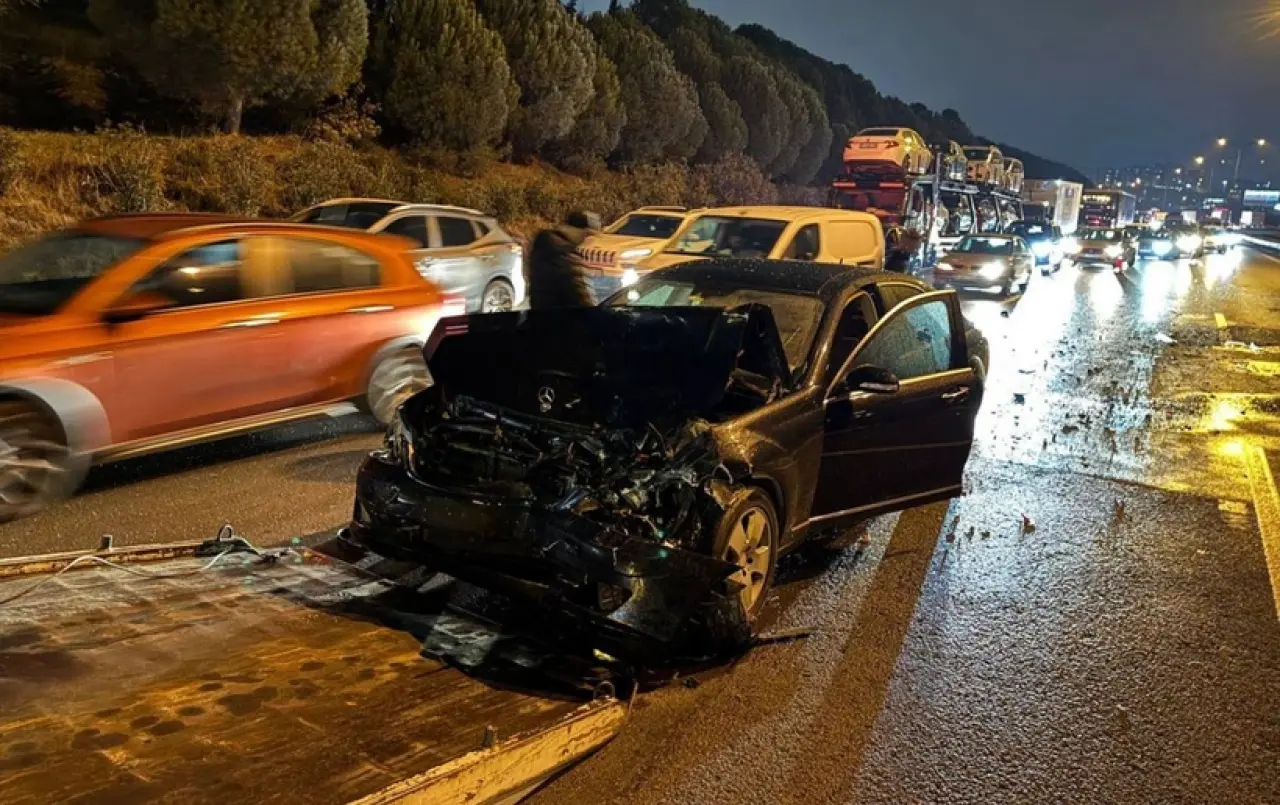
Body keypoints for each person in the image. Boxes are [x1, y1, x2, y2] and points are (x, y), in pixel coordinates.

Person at [525, 210, 600, 310]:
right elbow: (581, 294)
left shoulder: (543, 242)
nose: (588, 240)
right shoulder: (568, 255)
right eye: (588, 235)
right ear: (580, 231)